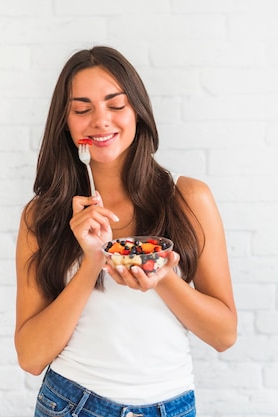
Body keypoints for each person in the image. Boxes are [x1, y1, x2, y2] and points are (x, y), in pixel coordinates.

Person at [14, 46, 237, 417]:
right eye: (82, 109)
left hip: (173, 405)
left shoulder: (189, 199)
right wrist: (91, 261)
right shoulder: (42, 216)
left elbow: (224, 335)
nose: (100, 121)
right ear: (65, 123)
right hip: (72, 403)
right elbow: (31, 357)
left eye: (115, 105)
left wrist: (162, 276)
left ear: (138, 112)